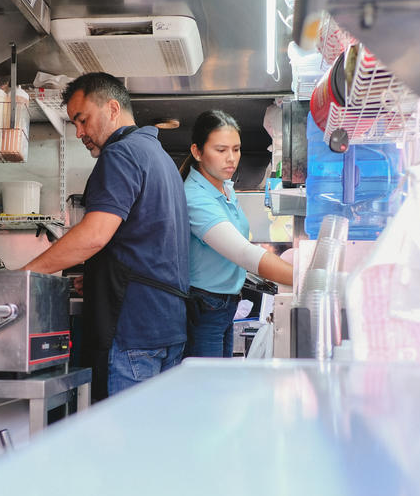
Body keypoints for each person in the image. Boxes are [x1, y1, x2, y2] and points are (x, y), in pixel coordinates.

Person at [21, 73, 189, 399]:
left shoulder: (120, 154)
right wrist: (99, 276)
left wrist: (26, 277)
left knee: (123, 444)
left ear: (113, 109)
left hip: (132, 333)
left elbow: (94, 236)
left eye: (82, 120)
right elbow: (145, 242)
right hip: (167, 327)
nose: (79, 132)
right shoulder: (161, 158)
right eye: (74, 124)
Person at [180, 110, 293, 358]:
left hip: (223, 306)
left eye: (236, 149)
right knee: (206, 391)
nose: (231, 158)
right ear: (197, 152)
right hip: (204, 308)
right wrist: (303, 277)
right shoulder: (195, 197)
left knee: (217, 388)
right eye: (220, 150)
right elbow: (244, 253)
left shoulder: (225, 188)